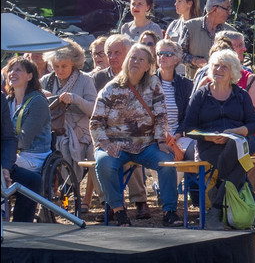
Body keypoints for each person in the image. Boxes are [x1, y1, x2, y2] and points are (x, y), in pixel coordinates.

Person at [89, 44, 182, 227]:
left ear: (149, 65)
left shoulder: (153, 83)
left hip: (146, 144)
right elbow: (95, 122)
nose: (135, 62)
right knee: (104, 163)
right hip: (115, 143)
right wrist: (105, 144)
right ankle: (119, 211)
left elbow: (161, 115)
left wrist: (161, 140)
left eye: (141, 59)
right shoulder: (111, 88)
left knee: (167, 162)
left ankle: (169, 211)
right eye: (132, 57)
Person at [181, 49, 255, 228]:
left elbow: (253, 125)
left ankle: (216, 204)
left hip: (239, 141)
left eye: (224, 66)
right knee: (242, 160)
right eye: (216, 65)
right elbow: (188, 128)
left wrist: (237, 130)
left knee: (240, 143)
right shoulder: (201, 95)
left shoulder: (241, 95)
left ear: (233, 72)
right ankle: (217, 205)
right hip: (211, 146)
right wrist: (209, 138)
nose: (219, 69)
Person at [41, 41, 98, 186]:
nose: (59, 70)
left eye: (64, 66)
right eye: (56, 66)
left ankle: (105, 200)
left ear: (73, 63)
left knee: (94, 154)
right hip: (53, 132)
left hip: (82, 134)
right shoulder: (45, 81)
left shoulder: (85, 80)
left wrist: (75, 99)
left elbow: (94, 111)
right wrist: (42, 96)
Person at [5, 57, 51, 222]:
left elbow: (24, 140)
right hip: (13, 154)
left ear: (30, 76)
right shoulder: (7, 101)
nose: (12, 73)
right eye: (10, 69)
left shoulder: (38, 102)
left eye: (18, 70)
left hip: (33, 155)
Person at [154, 38, 194, 157]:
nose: (162, 57)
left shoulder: (185, 84)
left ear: (176, 59)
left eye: (167, 54)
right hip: (154, 139)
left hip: (177, 136)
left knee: (196, 152)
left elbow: (188, 114)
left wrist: (178, 133)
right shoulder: (148, 83)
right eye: (159, 54)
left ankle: (191, 176)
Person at [180, 0, 234, 77]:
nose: (229, 13)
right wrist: (194, 60)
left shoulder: (231, 32)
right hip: (194, 83)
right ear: (214, 9)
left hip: (222, 85)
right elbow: (179, 53)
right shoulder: (190, 27)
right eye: (227, 9)